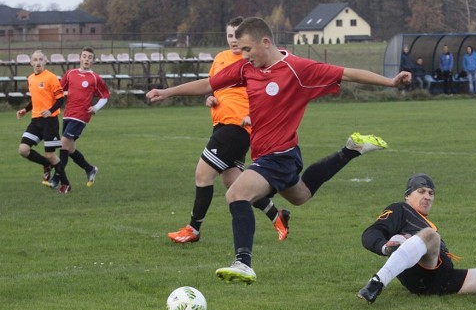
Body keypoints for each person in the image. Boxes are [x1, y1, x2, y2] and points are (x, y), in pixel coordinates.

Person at [147, 17, 411, 284]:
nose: (244, 55)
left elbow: (347, 73)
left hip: (280, 155)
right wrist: (168, 92)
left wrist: (390, 82)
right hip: (271, 156)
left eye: (248, 49)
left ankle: (243, 262)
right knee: (301, 195)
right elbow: (209, 84)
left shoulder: (297, 68)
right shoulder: (246, 68)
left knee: (236, 194)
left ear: (265, 42)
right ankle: (349, 150)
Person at [167, 16, 290, 244]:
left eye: (236, 36)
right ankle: (276, 215)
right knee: (234, 182)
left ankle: (193, 229)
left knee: (203, 174)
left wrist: (254, 114)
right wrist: (210, 98)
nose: (233, 41)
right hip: (221, 125)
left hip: (238, 126)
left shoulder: (252, 62)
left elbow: (270, 92)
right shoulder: (221, 58)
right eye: (229, 36)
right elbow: (212, 85)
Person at [357, 173, 476, 304]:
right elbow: (370, 233)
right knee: (429, 235)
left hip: (443, 279)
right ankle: (377, 283)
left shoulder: (426, 220)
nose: (427, 196)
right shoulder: (400, 209)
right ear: (407, 195)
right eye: (421, 191)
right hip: (421, 272)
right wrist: (385, 247)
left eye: (431, 193)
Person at [49, 46, 109, 189]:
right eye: (84, 56)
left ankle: (57, 178)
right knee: (69, 148)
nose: (86, 59)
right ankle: (90, 169)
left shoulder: (95, 78)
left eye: (89, 57)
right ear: (80, 58)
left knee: (63, 144)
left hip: (81, 116)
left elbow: (105, 95)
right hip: (68, 114)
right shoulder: (70, 73)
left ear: (93, 61)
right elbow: (59, 90)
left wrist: (96, 107)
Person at [16, 50, 71, 194]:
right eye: (35, 59)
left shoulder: (51, 78)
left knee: (51, 155)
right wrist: (25, 110)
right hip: (35, 121)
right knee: (23, 150)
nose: (38, 62)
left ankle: (66, 183)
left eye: (41, 59)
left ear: (45, 62)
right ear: (31, 63)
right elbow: (35, 100)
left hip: (50, 122)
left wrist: (50, 111)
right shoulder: (30, 79)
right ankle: (46, 165)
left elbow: (60, 99)